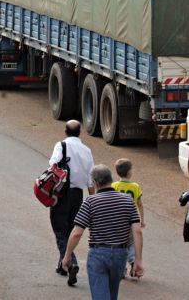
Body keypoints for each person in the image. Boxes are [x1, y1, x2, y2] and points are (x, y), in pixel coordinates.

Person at [62, 164, 144, 300]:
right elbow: (137, 231)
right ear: (111, 180)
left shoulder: (91, 201)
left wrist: (67, 256)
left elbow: (77, 232)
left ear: (95, 183)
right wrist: (138, 260)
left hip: (98, 254)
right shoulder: (128, 200)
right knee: (112, 295)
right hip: (120, 255)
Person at [49, 120, 94, 286]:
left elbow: (53, 164)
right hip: (78, 195)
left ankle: (70, 262)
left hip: (62, 193)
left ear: (65, 131)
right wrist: (93, 200)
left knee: (60, 229)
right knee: (70, 229)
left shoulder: (61, 145)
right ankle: (62, 265)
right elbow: (91, 180)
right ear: (80, 132)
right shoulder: (87, 151)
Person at [112, 158, 144, 279]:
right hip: (131, 219)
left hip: (117, 220)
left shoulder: (114, 186)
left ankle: (121, 269)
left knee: (119, 243)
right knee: (131, 243)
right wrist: (142, 219)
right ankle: (133, 262)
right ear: (130, 173)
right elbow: (140, 204)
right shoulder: (135, 187)